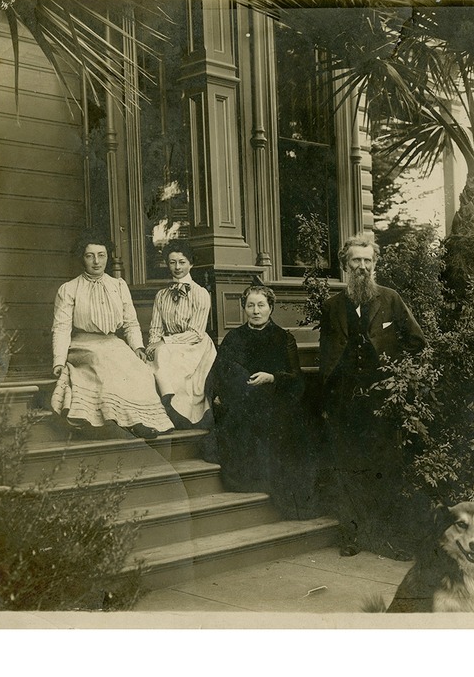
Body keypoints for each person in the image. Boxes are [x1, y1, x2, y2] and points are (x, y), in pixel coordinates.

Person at [319, 233, 427, 557]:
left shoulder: (390, 299)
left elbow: (417, 342)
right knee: (349, 467)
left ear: (375, 264)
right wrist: (328, 400)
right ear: (345, 265)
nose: (362, 266)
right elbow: (325, 356)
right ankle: (352, 536)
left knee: (385, 466)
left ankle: (386, 536)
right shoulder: (332, 307)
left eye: (368, 261)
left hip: (382, 402)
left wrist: (398, 377)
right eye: (356, 261)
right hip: (346, 402)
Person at [51, 231, 173, 437]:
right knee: (104, 363)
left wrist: (138, 347)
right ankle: (129, 421)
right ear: (82, 257)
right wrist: (59, 361)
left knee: (139, 369)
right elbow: (61, 328)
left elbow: (131, 323)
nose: (97, 261)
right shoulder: (69, 289)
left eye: (102, 255)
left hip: (113, 343)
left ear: (108, 257)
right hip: (84, 345)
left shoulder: (118, 285)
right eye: (90, 256)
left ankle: (139, 419)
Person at [211, 284, 307, 515]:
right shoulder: (234, 338)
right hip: (243, 403)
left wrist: (272, 377)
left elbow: (296, 378)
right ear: (244, 308)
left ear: (270, 308)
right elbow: (221, 373)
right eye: (250, 305)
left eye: (261, 305)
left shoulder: (284, 337)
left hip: (275, 400)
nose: (256, 310)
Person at [146, 240, 216, 431]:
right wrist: (152, 345)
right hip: (168, 346)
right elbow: (155, 329)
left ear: (191, 264)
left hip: (195, 346)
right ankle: (161, 412)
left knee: (163, 355)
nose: (177, 267)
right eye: (172, 262)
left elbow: (195, 333)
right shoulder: (161, 295)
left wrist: (163, 343)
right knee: (151, 360)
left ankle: (174, 407)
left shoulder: (200, 293)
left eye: (182, 262)